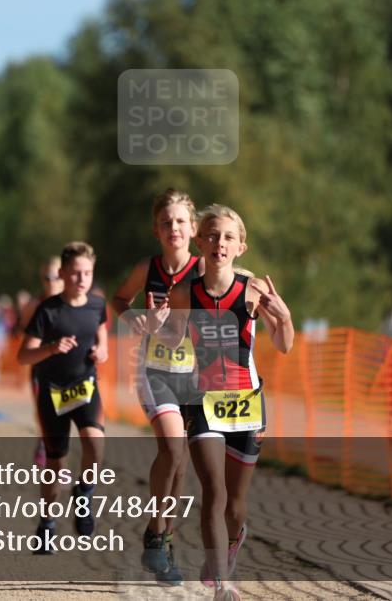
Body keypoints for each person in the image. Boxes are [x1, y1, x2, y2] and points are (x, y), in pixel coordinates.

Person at [148, 205, 294, 601]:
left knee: (236, 506)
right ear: (200, 242)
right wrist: (158, 327)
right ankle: (224, 584)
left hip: (248, 403)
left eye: (228, 237)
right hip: (204, 402)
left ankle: (232, 544)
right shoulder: (183, 293)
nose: (219, 243)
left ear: (241, 246)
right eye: (212, 235)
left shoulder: (252, 290)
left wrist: (284, 318)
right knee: (214, 492)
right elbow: (174, 343)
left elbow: (283, 346)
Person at [112, 188, 204, 585]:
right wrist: (135, 320)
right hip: (154, 372)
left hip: (196, 377)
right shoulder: (147, 268)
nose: (174, 228)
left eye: (181, 221)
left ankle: (162, 538)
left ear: (194, 228)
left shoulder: (203, 270)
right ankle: (155, 531)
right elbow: (118, 299)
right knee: (171, 447)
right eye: (166, 222)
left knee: (181, 466)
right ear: (156, 230)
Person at [17, 242, 108, 554]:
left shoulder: (97, 305)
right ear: (63, 274)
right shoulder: (48, 310)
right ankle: (47, 523)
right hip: (53, 393)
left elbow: (102, 330)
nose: (82, 279)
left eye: (88, 273)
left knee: (95, 443)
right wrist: (51, 349)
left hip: (86, 387)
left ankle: (83, 492)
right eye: (75, 273)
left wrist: (103, 349)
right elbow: (23, 356)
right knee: (55, 464)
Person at [18, 256, 64, 469]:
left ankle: (56, 457)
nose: (52, 282)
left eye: (56, 276)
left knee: (64, 415)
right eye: (47, 278)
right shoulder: (34, 306)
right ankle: (44, 445)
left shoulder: (74, 303)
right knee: (45, 414)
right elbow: (24, 333)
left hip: (68, 370)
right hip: (41, 369)